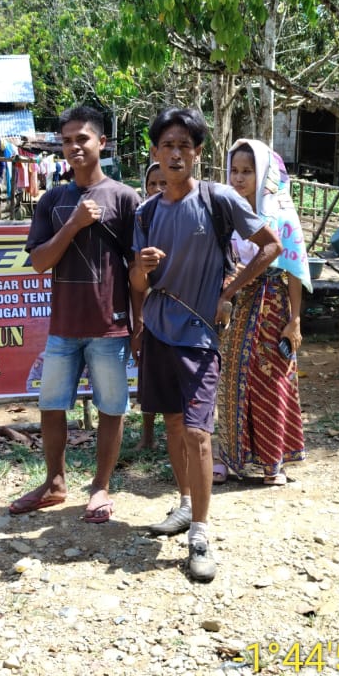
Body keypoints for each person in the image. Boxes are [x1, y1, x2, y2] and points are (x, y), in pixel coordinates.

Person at [131, 107, 280, 582]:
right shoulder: (146, 211)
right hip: (157, 329)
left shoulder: (219, 199)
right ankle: (182, 503)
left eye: (184, 145)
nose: (175, 153)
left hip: (198, 334)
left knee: (198, 431)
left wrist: (226, 293)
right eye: (167, 145)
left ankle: (200, 532)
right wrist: (141, 268)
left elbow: (270, 246)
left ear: (197, 153)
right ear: (154, 152)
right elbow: (135, 284)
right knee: (174, 423)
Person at [10, 106, 141, 523]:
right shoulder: (53, 199)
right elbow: (40, 262)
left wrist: (137, 325)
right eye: (66, 140)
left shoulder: (124, 197)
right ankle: (55, 482)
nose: (73, 147)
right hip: (63, 327)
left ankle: (100, 487)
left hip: (109, 325)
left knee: (111, 408)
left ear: (101, 142)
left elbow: (136, 269)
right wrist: (74, 225)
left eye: (81, 138)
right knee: (51, 405)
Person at [214, 139, 309, 486]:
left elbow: (295, 270)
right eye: (235, 171)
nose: (239, 178)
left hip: (271, 302)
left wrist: (295, 319)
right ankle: (228, 456)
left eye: (247, 171)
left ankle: (273, 461)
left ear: (264, 173)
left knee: (272, 378)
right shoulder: (225, 211)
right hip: (234, 304)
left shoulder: (281, 213)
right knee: (230, 377)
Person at [136, 161, 167, 451]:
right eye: (153, 184)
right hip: (147, 309)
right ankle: (147, 437)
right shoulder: (141, 220)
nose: (158, 188)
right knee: (147, 376)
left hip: (177, 311)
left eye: (163, 183)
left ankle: (178, 438)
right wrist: (139, 318)